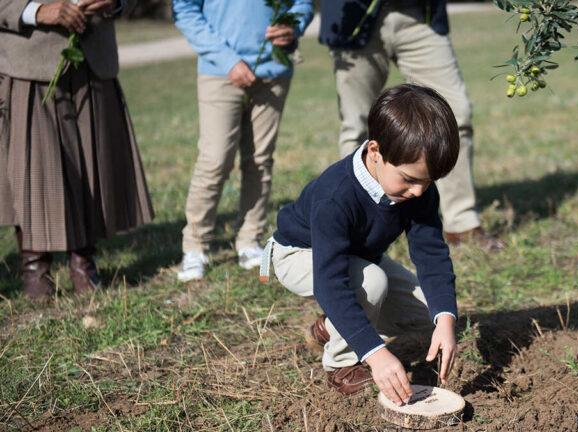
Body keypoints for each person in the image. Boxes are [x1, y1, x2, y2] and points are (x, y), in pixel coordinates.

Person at [264, 85, 458, 405]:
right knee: (371, 282)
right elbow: (330, 282)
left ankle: (332, 326)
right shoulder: (335, 197)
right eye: (409, 179)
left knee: (430, 311)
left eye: (428, 182)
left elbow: (431, 254)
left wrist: (446, 320)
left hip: (357, 258)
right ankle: (342, 364)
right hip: (300, 254)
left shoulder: (417, 190)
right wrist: (375, 353)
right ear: (375, 151)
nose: (420, 191)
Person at [318, 0, 505, 251]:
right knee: (357, 127)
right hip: (354, 17)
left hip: (420, 14)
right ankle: (357, 226)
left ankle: (462, 223)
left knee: (454, 117)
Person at [0, 0, 154, 300]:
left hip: (94, 57)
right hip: (28, 59)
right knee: (32, 168)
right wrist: (34, 10)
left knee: (92, 160)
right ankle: (36, 271)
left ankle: (84, 265)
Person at [172, 0, 314, 281]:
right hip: (220, 70)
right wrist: (228, 60)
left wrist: (293, 25)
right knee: (215, 160)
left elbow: (303, 3)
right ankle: (195, 248)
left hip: (273, 71)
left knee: (260, 159)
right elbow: (185, 10)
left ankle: (249, 240)